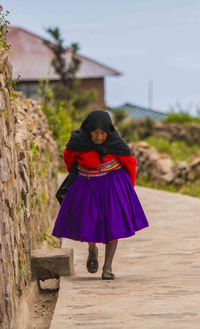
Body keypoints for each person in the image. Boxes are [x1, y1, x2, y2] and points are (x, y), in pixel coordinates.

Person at [52, 110, 148, 280]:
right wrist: (79, 176)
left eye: (103, 133)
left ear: (108, 131)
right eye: (95, 132)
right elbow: (69, 160)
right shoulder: (78, 142)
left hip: (113, 183)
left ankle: (108, 266)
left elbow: (130, 163)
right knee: (89, 220)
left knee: (114, 223)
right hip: (88, 182)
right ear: (88, 130)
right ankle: (92, 250)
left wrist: (128, 188)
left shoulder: (116, 143)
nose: (99, 137)